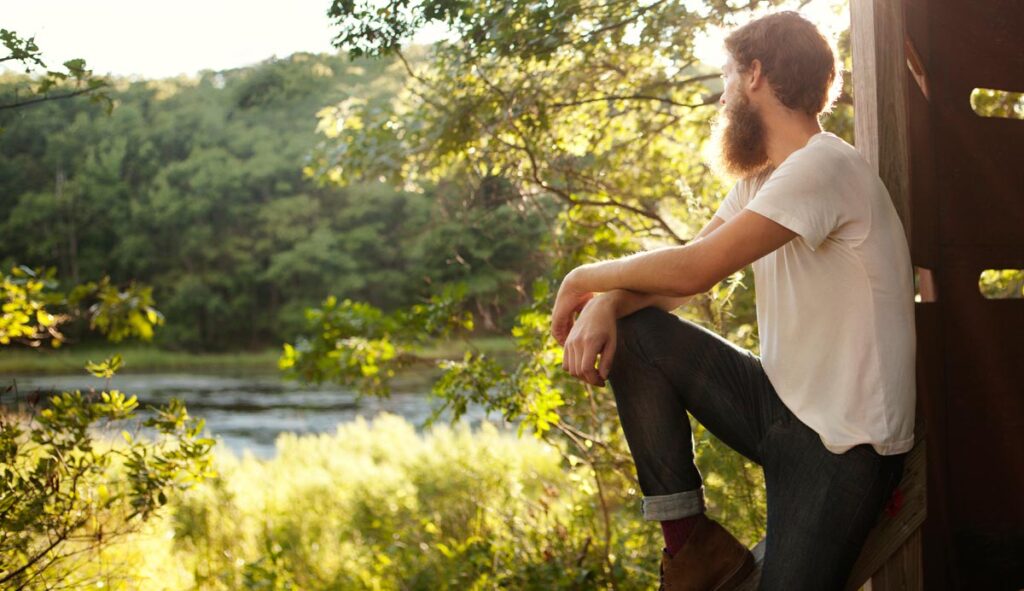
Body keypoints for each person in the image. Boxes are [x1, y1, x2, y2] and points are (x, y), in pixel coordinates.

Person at [550, 11, 915, 591]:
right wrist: (608, 304)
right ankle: (691, 544)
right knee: (641, 335)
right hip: (781, 410)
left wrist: (583, 279)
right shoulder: (762, 181)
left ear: (755, 74)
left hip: (844, 448)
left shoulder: (824, 165)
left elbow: (696, 271)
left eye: (725, 76)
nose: (721, 95)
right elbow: (680, 274)